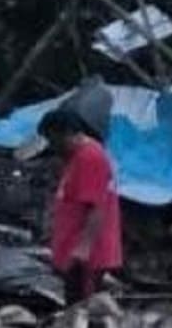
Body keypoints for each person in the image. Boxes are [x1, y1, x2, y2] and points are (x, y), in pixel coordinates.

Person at [41, 108, 122, 303]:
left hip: (87, 255)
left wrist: (83, 248)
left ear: (67, 133)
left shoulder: (90, 157)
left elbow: (97, 207)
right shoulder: (77, 157)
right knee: (75, 305)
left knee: (84, 309)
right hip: (74, 250)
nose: (52, 146)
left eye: (53, 140)